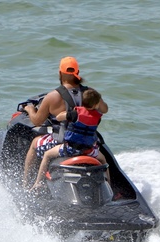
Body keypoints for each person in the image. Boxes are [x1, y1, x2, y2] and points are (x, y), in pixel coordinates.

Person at [22, 56, 108, 188]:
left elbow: (37, 121)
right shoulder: (90, 93)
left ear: (60, 73)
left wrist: (30, 109)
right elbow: (104, 109)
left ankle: (27, 184)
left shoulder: (53, 96)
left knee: (35, 143)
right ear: (77, 74)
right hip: (88, 144)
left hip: (63, 142)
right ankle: (109, 187)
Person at [30, 88, 109, 190]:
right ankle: (108, 185)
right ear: (96, 105)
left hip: (70, 149)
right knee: (103, 161)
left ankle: (38, 183)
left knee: (47, 154)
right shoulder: (98, 116)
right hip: (88, 150)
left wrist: (66, 113)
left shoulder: (75, 114)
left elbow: (59, 117)